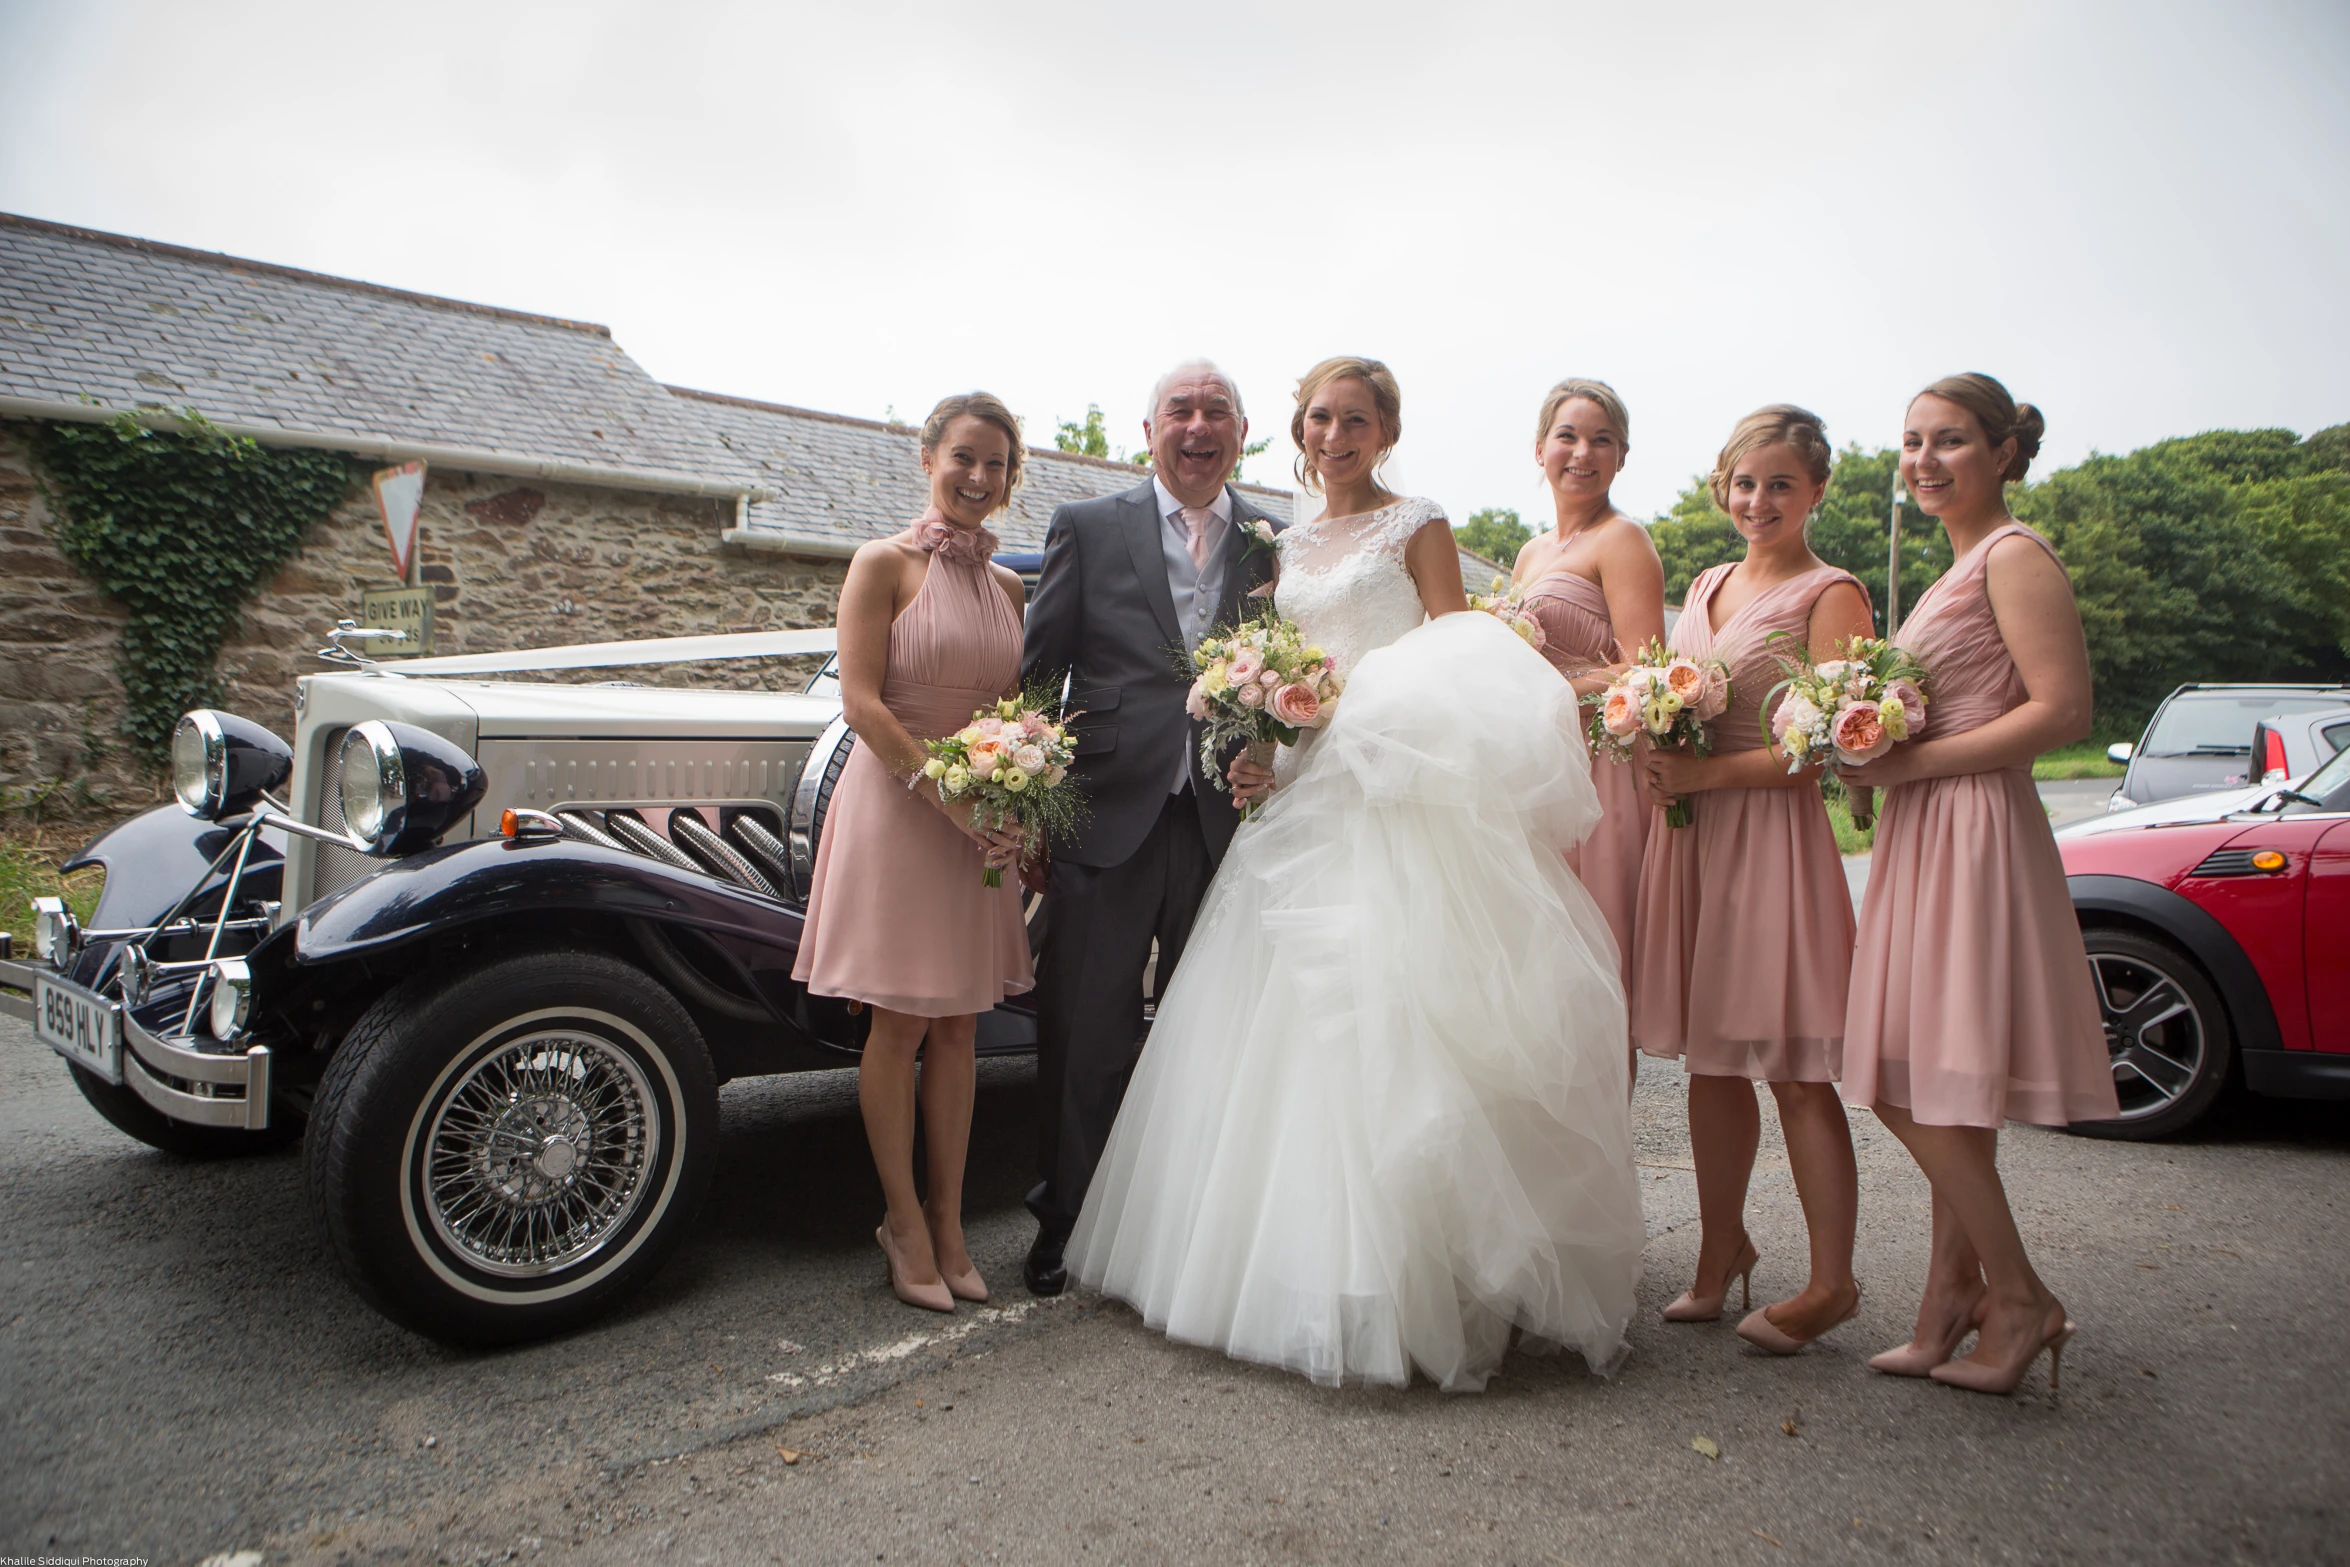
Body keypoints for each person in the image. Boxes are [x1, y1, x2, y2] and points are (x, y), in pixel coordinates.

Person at [1067, 358, 1644, 1391]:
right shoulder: (1276, 542)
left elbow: (1460, 653)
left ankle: (1430, 1276)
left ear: (1386, 432)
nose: (1337, 435)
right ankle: (1287, 1269)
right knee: (1284, 1031)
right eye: (1323, 418)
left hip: (1390, 792)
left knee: (1405, 1023)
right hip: (1298, 793)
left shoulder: (1415, 522)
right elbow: (1272, 659)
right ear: (1298, 429)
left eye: (1358, 419)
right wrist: (1261, 732)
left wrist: (1342, 714)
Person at [1839, 374, 2120, 1395]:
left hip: (1972, 830)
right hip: (1925, 825)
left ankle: (2019, 1297)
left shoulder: (2013, 555)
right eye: (1911, 441)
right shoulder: (1951, 565)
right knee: (1940, 1086)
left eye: (1948, 440)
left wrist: (1905, 764)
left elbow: (2062, 711)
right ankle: (1947, 1301)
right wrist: (1870, 764)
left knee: (1895, 1078)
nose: (1922, 459)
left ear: (2003, 451)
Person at [1018, 361, 1284, 1297]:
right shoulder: (1086, 527)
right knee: (1082, 1030)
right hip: (1105, 812)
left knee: (1207, 1034)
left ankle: (1183, 1234)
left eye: (1217, 411)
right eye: (1182, 409)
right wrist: (1031, 811)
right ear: (1149, 428)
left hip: (1227, 822)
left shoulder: (1273, 542)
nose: (1198, 425)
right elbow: (1037, 680)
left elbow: (1300, 682)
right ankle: (1064, 1221)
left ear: (1242, 433)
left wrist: (1273, 759)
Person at [1631, 406, 1874, 1354]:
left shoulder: (1831, 593)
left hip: (1768, 840)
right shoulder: (1706, 582)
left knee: (1795, 1070)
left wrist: (1700, 773)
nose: (1759, 500)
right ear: (1720, 488)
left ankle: (1832, 1280)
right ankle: (1719, 1252)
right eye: (1744, 482)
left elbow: (1823, 745)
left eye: (1780, 483)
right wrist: (1647, 737)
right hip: (1690, 840)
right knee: (1711, 1064)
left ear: (1815, 491)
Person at [792, 392, 1033, 1313]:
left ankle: (951, 1219)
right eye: (963, 457)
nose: (978, 478)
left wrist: (1017, 801)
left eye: (997, 465)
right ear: (927, 456)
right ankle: (901, 1220)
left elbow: (1013, 718)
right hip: (899, 805)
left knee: (964, 1027)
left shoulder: (1009, 587)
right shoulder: (879, 565)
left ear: (1012, 480)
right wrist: (949, 795)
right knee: (897, 1024)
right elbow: (861, 702)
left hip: (978, 819)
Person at [1510, 378, 1667, 993]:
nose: (1582, 453)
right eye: (1567, 436)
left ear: (1621, 457)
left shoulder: (1622, 539)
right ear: (1540, 447)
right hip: (1537, 765)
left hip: (1601, 766)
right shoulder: (1529, 553)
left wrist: (1545, 691)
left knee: (1597, 970)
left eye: (1601, 441)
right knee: (1540, 971)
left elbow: (1641, 664)